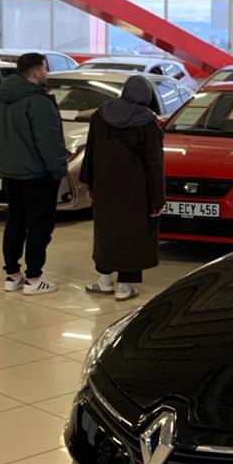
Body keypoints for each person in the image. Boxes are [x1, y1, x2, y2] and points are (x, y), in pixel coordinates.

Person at [0, 52, 66, 295]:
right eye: (45, 68)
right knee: (39, 227)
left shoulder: (0, 100)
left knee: (15, 222)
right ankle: (34, 278)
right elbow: (49, 142)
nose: (47, 73)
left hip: (10, 173)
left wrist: (2, 163)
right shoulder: (38, 102)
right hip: (37, 175)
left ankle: (12, 276)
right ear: (36, 71)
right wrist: (57, 171)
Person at [80, 75, 164, 301]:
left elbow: (91, 151)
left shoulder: (100, 114)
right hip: (137, 189)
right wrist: (157, 199)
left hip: (105, 185)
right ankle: (125, 286)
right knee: (133, 234)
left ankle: (104, 280)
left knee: (106, 230)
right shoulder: (147, 121)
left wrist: (90, 182)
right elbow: (154, 163)